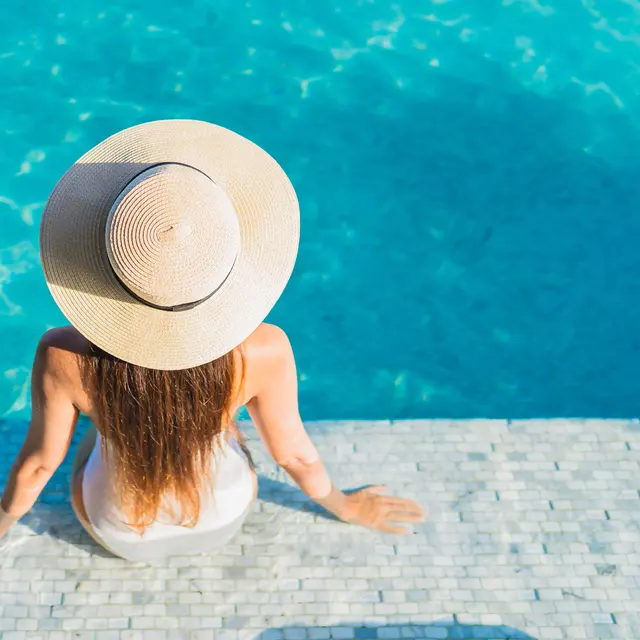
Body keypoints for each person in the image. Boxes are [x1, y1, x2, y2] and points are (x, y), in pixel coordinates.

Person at [0, 120, 425, 562]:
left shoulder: (63, 355)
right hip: (222, 517)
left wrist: (3, 522)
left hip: (117, 530)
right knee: (208, 407)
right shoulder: (265, 349)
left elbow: (39, 466)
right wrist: (347, 506)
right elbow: (294, 455)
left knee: (101, 429)